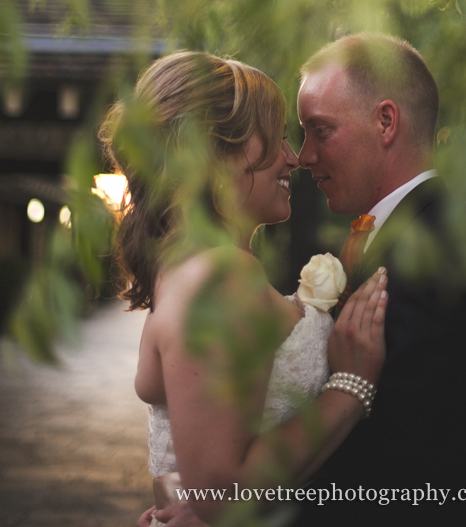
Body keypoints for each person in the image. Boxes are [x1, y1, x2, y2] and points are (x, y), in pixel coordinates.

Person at [100, 51, 387, 527]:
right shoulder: (222, 276)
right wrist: (350, 388)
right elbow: (222, 495)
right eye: (275, 139)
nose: (293, 158)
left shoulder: (181, 269)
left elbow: (183, 467)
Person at [293, 32, 466, 526]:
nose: (304, 156)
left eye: (320, 131)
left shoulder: (436, 259)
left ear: (386, 122)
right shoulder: (424, 233)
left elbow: (405, 477)